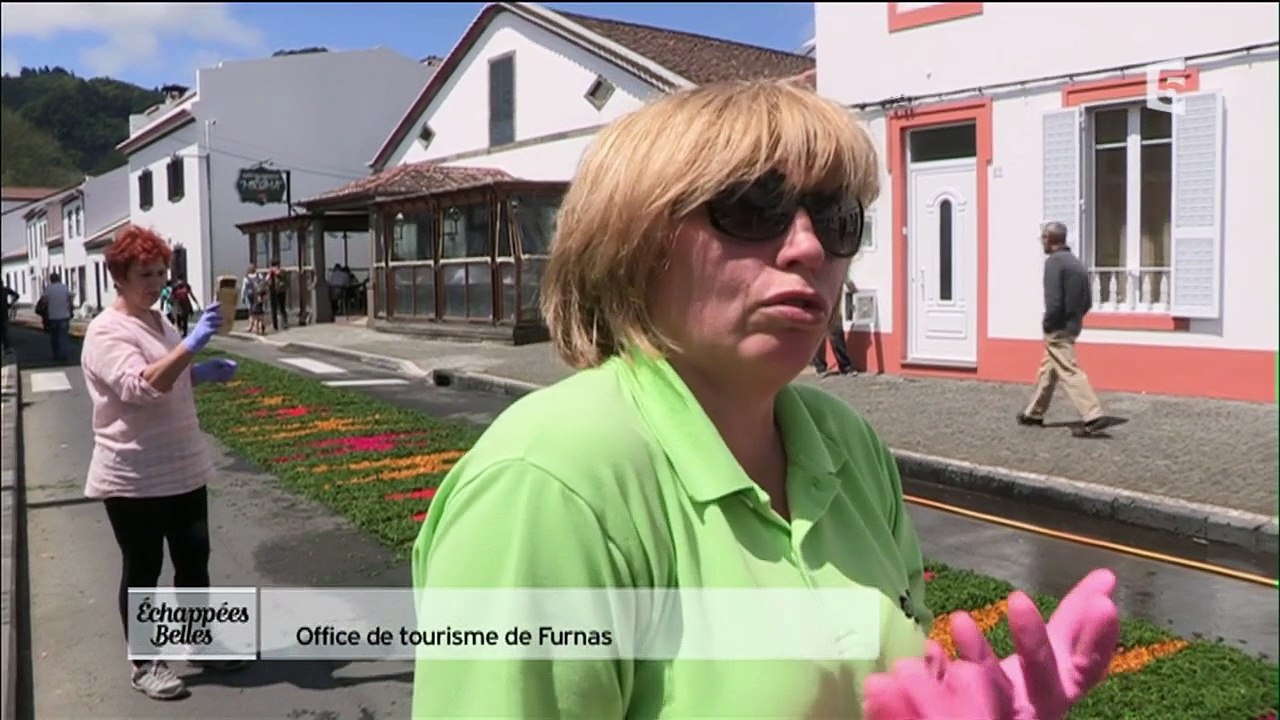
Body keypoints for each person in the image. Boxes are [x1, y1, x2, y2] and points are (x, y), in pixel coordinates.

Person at [409, 80, 1120, 718]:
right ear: (632, 244)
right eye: (756, 208)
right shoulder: (549, 483)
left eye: (837, 218)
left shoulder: (848, 445)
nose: (809, 248)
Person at [79, 225, 242, 701]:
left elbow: (169, 375)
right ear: (119, 277)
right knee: (144, 569)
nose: (155, 283)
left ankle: (198, 641)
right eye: (144, 274)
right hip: (134, 474)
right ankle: (145, 661)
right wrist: (192, 346)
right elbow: (139, 386)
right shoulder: (107, 331)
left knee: (194, 562)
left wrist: (199, 374)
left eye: (160, 273)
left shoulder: (159, 321)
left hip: (183, 466)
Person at [1017, 221, 1120, 438]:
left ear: (1050, 239)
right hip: (1073, 325)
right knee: (1048, 368)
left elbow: (1053, 302)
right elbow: (1087, 302)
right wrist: (1075, 318)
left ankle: (1093, 415)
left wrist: (1048, 323)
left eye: (1043, 238)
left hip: (1058, 327)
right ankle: (1034, 413)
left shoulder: (1054, 263)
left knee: (1069, 370)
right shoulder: (1076, 263)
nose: (1042, 242)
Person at [812, 277, 858, 377]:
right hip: (818, 305)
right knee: (819, 337)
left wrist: (851, 286)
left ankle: (845, 367)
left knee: (837, 336)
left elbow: (845, 279)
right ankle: (820, 368)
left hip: (834, 307)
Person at [38, 271, 74, 362]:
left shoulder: (48, 289)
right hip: (64, 316)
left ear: (51, 279)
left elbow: (44, 302)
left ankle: (56, 355)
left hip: (53, 316)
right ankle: (65, 355)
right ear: (59, 278)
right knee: (64, 337)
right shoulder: (64, 287)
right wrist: (70, 310)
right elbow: (70, 300)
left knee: (54, 338)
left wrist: (44, 313)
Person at [1, 283, 18, 349]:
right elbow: (16, 295)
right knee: (5, 332)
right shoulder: (5, 290)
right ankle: (6, 347)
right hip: (4, 314)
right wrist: (10, 304)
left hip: (4, 314)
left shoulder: (5, 290)